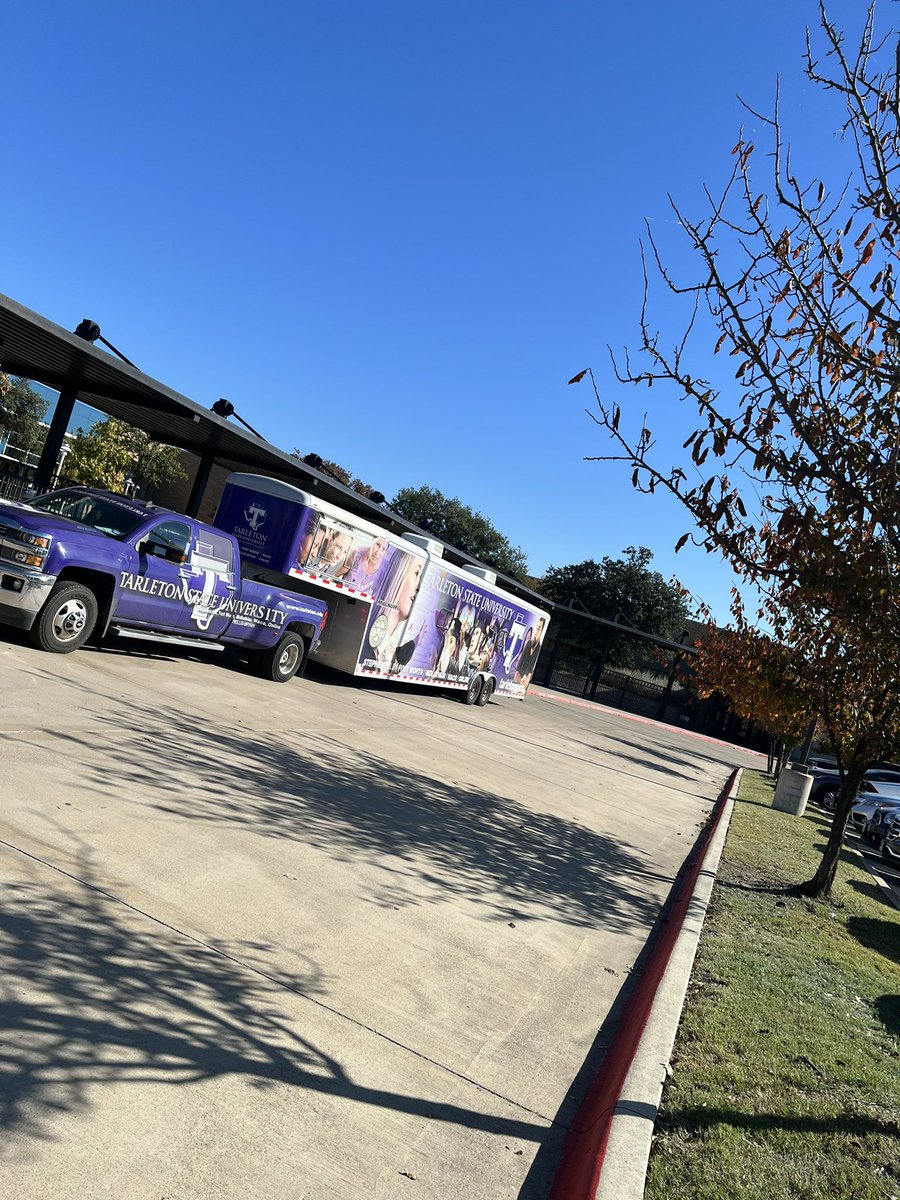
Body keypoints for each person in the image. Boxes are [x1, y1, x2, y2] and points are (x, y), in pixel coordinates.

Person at [365, 551, 425, 668]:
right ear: (399, 574)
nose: (418, 587)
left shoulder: (393, 639)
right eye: (416, 573)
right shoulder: (374, 642)